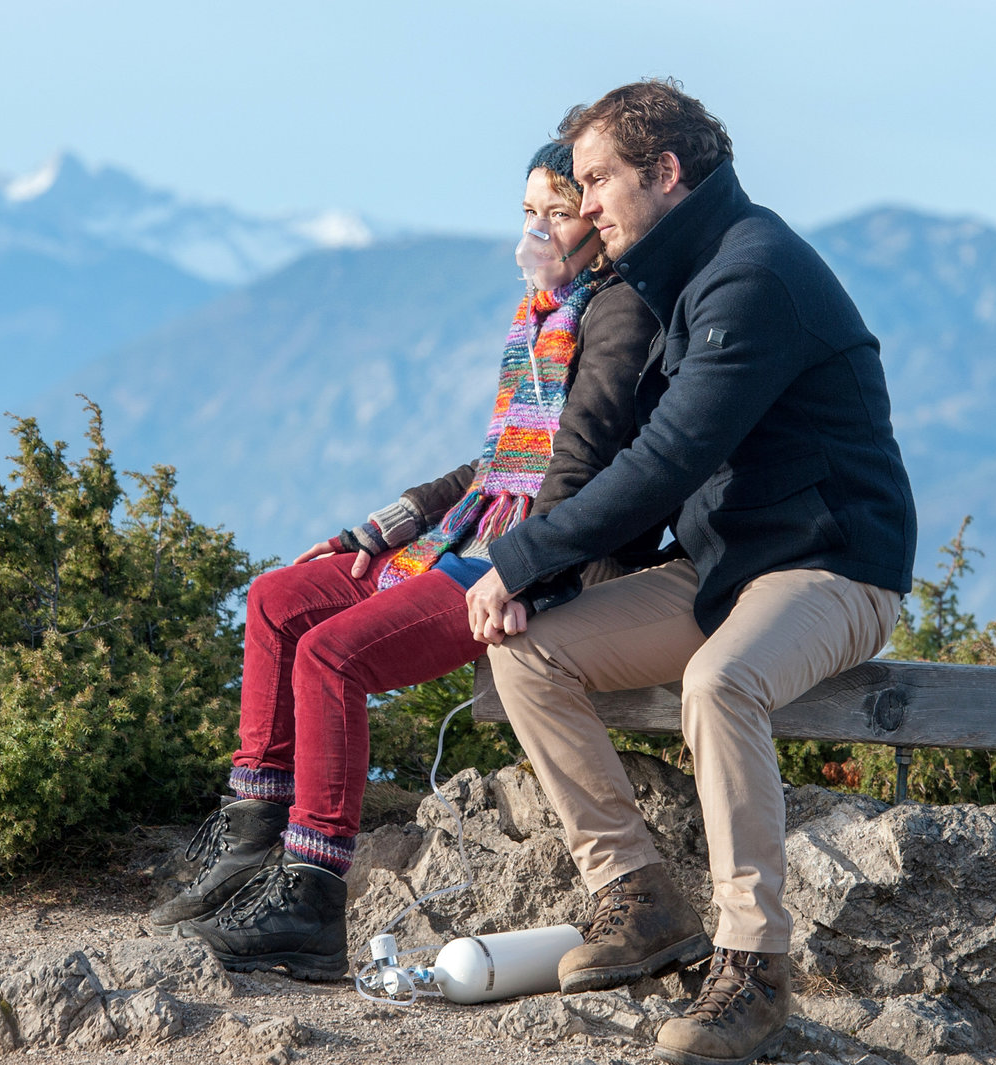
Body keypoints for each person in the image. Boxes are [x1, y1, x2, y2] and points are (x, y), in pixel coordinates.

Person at [466, 80, 916, 1065]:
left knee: (720, 683)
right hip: (721, 570)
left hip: (833, 567)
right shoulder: (680, 272)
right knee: (529, 653)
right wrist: (538, 582)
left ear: (665, 172)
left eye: (597, 180)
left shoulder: (752, 273)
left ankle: (753, 965)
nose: (585, 204)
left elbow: (668, 458)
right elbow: (624, 455)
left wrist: (519, 557)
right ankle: (637, 896)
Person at [150, 142, 660, 977]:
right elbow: (499, 464)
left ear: (597, 221)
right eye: (528, 211)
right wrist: (386, 524)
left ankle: (311, 897)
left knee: (331, 655)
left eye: (558, 212)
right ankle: (249, 840)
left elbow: (583, 462)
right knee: (277, 600)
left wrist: (526, 569)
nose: (537, 230)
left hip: (532, 558)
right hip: (473, 530)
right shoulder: (541, 315)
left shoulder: (619, 313)